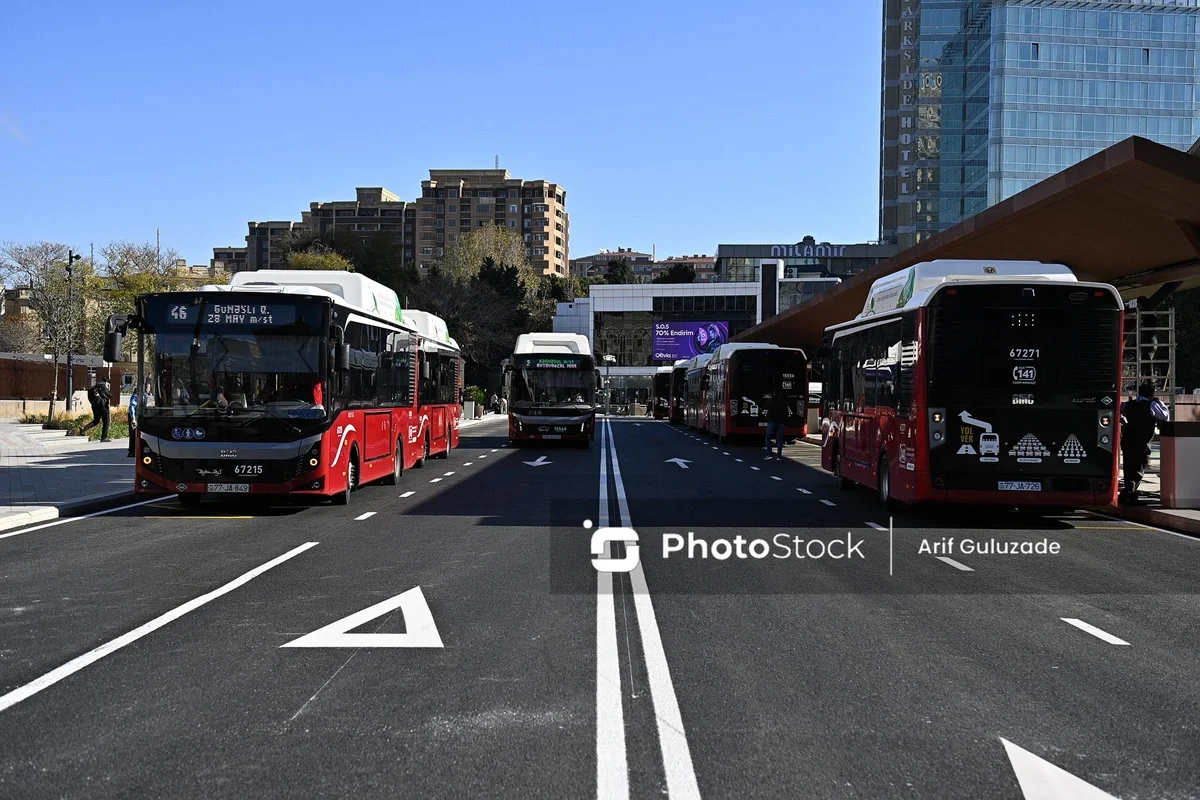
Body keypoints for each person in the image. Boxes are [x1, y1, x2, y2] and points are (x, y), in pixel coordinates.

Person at [1119, 380, 1169, 505]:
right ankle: (1130, 494)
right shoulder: (1152, 405)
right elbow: (1164, 416)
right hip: (1141, 442)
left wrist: (1123, 421)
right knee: (1138, 468)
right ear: (1151, 395)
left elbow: (1118, 409)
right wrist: (1160, 402)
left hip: (1128, 440)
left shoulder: (1128, 405)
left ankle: (1129, 492)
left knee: (1128, 467)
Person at [127, 381, 152, 456]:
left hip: (142, 416)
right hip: (134, 416)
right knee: (133, 433)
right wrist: (133, 419)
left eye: (149, 387)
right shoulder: (137, 395)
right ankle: (131, 451)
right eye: (147, 387)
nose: (149, 389)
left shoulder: (147, 395)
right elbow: (132, 407)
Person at [764, 391, 789, 459]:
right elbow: (786, 413)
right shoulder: (783, 402)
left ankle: (769, 454)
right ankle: (779, 455)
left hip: (772, 421)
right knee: (779, 440)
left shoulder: (771, 401)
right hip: (780, 422)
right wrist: (786, 423)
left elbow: (765, 406)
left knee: (768, 438)